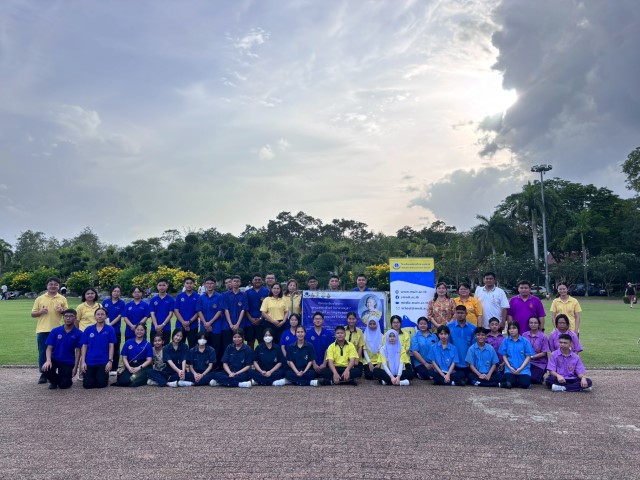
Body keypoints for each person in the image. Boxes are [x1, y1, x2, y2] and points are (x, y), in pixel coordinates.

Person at [31, 277, 69, 384]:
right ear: (47, 286)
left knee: (57, 352)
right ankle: (44, 373)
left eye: (55, 284)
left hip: (58, 330)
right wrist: (41, 312)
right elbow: (33, 314)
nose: (53, 286)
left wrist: (62, 311)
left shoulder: (62, 298)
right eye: (51, 284)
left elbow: (68, 314)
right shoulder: (40, 299)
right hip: (43, 329)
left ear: (58, 286)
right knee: (43, 352)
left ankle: (54, 372)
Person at [42, 309, 82, 389]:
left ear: (75, 318)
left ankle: (64, 380)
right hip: (54, 358)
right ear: (63, 317)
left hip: (67, 361)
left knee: (64, 385)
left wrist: (75, 367)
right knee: (45, 368)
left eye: (71, 316)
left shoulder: (79, 333)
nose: (68, 318)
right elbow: (49, 348)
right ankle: (54, 382)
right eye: (66, 316)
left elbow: (78, 351)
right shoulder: (55, 331)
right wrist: (48, 361)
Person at [80, 307, 116, 389]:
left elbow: (111, 346)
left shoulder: (110, 329)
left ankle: (99, 377)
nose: (100, 316)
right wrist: (83, 362)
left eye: (102, 314)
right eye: (98, 314)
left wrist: (110, 361)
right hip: (90, 361)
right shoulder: (88, 329)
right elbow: (84, 346)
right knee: (87, 385)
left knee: (101, 384)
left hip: (103, 361)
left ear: (106, 316)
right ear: (95, 316)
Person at [196, 276, 224, 364]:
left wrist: (210, 323)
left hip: (216, 327)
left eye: (211, 283)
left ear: (215, 284)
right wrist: (205, 323)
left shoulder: (219, 296)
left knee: (216, 347)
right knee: (203, 345)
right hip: (204, 327)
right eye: (207, 283)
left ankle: (215, 365)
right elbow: (199, 311)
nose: (209, 285)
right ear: (204, 285)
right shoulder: (201, 297)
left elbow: (220, 311)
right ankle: (204, 365)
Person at [499, 322, 535, 389]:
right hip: (510, 369)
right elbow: (504, 355)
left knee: (525, 384)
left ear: (518, 329)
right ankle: (514, 380)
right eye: (510, 329)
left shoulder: (525, 341)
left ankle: (519, 380)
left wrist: (520, 368)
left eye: (514, 328)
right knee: (510, 383)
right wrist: (510, 367)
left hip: (523, 369)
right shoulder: (506, 340)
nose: (511, 330)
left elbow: (528, 356)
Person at [102, 285, 126, 375]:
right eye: (114, 291)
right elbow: (102, 313)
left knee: (115, 349)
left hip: (115, 330)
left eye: (118, 291)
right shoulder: (105, 302)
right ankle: (104, 366)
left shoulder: (122, 303)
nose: (116, 293)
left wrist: (110, 325)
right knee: (105, 348)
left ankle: (114, 368)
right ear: (111, 292)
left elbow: (120, 316)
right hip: (104, 329)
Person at [447, 305, 477, 377]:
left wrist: (470, 359)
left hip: (468, 362)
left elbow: (474, 346)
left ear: (466, 313)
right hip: (454, 362)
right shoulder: (449, 327)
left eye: (462, 313)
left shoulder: (473, 328)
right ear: (455, 313)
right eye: (458, 313)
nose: (460, 315)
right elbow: (448, 344)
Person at [222, 275, 248, 352]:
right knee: (227, 345)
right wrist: (230, 324)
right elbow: (226, 309)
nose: (236, 283)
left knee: (239, 345)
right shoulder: (226, 294)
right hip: (227, 325)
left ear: (240, 283)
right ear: (231, 282)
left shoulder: (244, 295)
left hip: (240, 324)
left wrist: (237, 324)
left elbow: (243, 310)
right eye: (234, 281)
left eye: (238, 281)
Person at [522, 316, 550, 384]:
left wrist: (531, 357)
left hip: (539, 363)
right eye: (531, 323)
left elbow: (544, 353)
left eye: (535, 323)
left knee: (532, 379)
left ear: (539, 324)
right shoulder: (524, 335)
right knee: (522, 377)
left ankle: (540, 377)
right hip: (526, 362)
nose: (533, 324)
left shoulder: (543, 336)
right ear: (528, 324)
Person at [174, 277, 200, 348]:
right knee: (179, 345)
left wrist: (189, 322)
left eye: (191, 283)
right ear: (184, 284)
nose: (189, 285)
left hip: (193, 326)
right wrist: (183, 322)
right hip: (180, 325)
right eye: (187, 283)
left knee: (193, 346)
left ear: (194, 284)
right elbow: (176, 310)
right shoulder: (179, 296)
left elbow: (198, 312)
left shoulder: (198, 296)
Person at [245, 274, 269, 350]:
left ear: (262, 280)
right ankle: (251, 357)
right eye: (255, 280)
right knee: (250, 341)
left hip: (262, 321)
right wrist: (251, 319)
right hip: (249, 322)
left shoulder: (267, 292)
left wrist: (261, 318)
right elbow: (245, 308)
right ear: (252, 281)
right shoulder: (247, 292)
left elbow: (268, 308)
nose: (257, 281)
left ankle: (261, 357)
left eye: (259, 279)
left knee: (262, 342)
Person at [149, 279, 175, 345]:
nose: (161, 287)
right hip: (154, 328)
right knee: (153, 347)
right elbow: (152, 314)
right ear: (157, 286)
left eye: (163, 285)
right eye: (160, 285)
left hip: (166, 328)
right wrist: (156, 326)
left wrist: (162, 325)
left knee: (165, 348)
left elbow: (170, 314)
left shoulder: (171, 299)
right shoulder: (153, 299)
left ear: (167, 286)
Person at [345, 311, 365, 376]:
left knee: (358, 373)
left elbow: (360, 347)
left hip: (356, 358)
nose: (351, 321)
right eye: (349, 319)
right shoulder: (343, 330)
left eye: (353, 319)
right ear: (347, 319)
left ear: (356, 320)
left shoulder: (359, 331)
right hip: (344, 358)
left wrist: (356, 360)